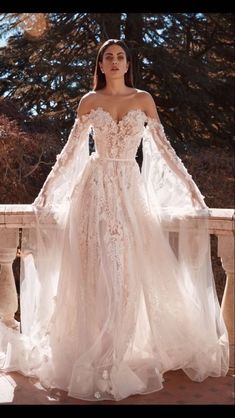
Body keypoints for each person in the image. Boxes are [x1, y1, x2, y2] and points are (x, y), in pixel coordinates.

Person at [0, 39, 229, 402]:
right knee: (97, 271)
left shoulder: (143, 99)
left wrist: (192, 190)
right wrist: (44, 194)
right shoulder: (89, 102)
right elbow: (71, 151)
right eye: (108, 57)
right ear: (101, 65)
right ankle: (100, 353)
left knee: (126, 275)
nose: (115, 62)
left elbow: (163, 148)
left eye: (120, 57)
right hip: (93, 194)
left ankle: (117, 355)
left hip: (128, 191)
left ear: (127, 63)